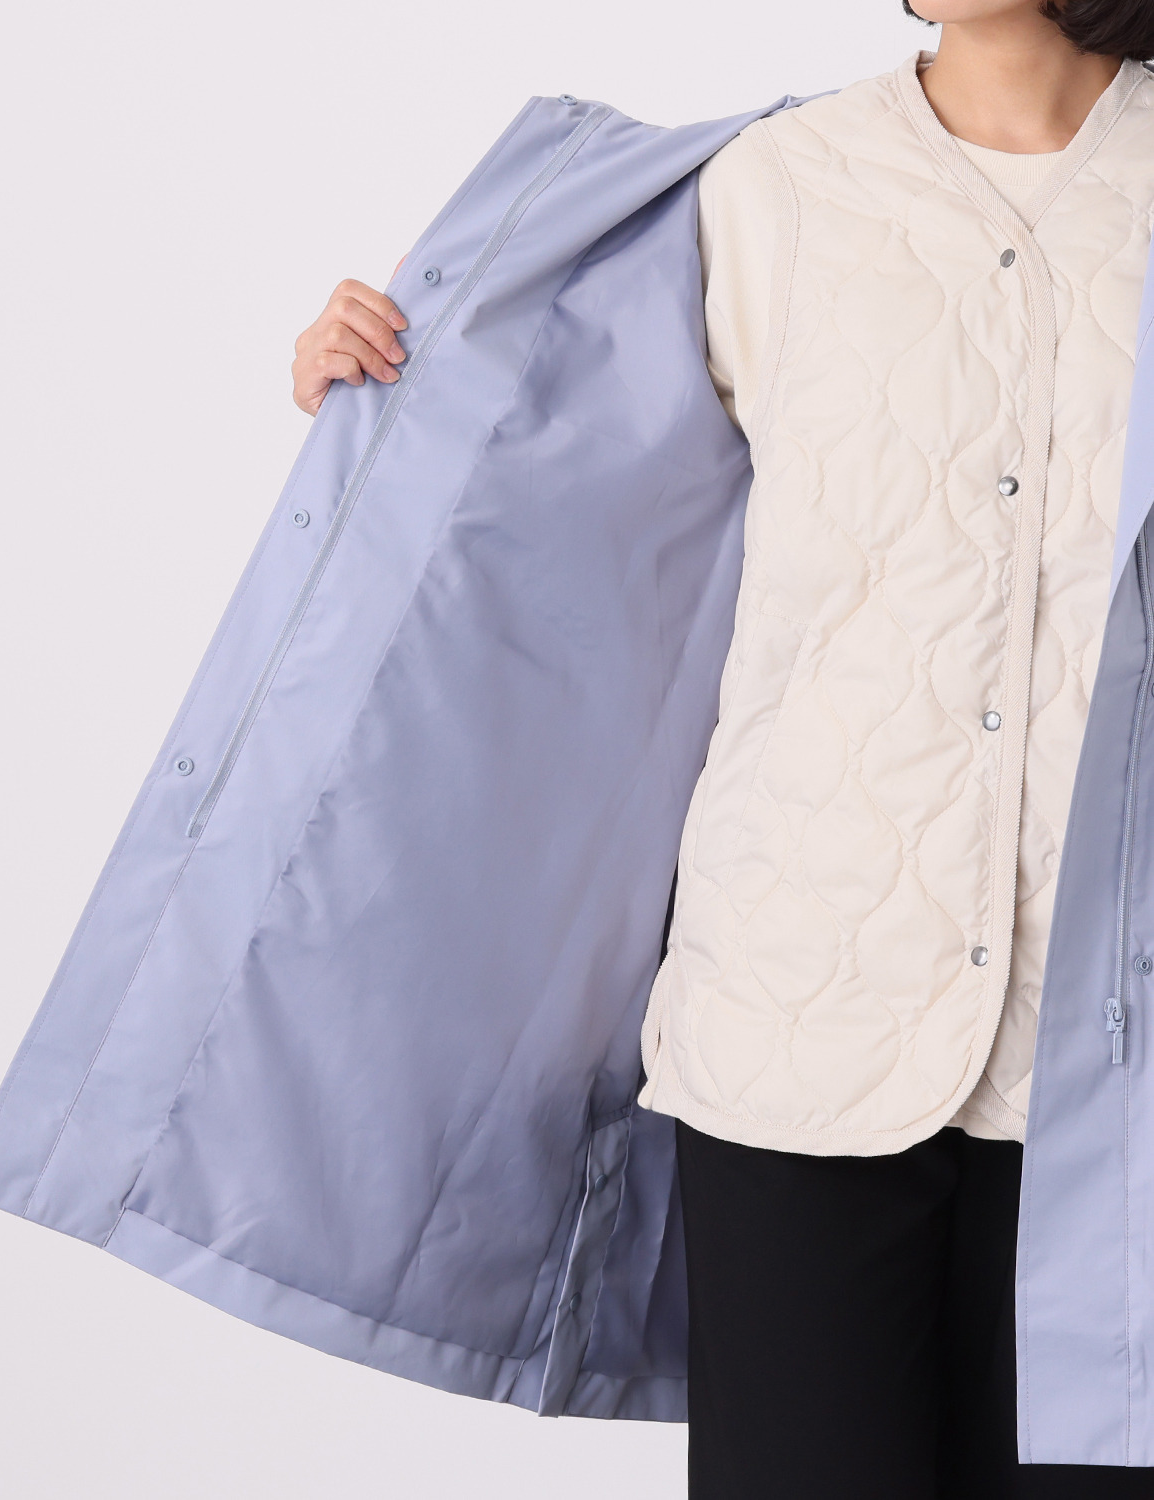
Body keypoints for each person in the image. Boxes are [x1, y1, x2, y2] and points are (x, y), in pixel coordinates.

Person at [289, 2, 1154, 1495]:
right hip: (799, 1016)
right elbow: (541, 482)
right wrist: (381, 387)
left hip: (1111, 1053)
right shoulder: (770, 187)